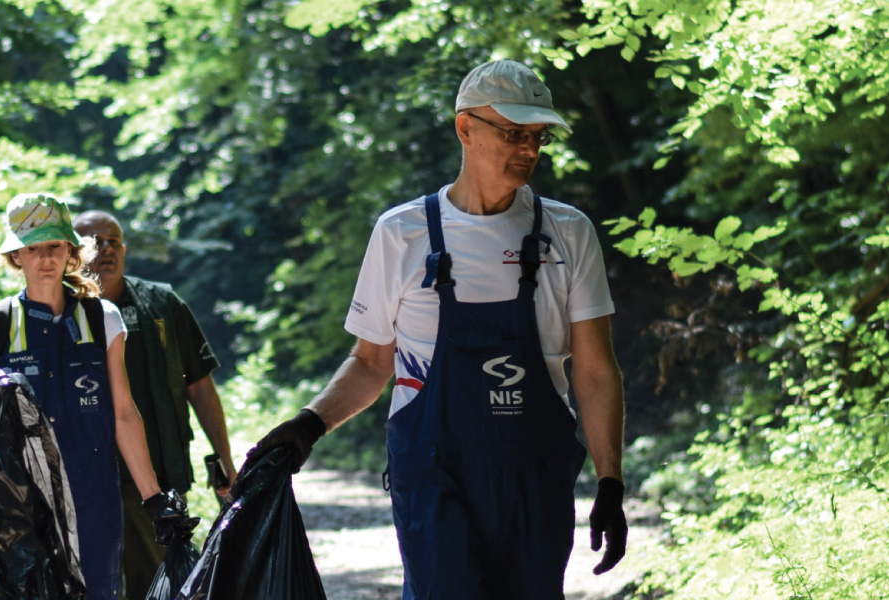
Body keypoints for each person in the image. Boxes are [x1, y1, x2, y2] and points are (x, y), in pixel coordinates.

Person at [246, 59, 629, 599]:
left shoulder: (567, 232)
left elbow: (593, 370)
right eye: (514, 133)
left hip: (533, 472)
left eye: (538, 137)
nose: (529, 149)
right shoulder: (402, 234)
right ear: (465, 128)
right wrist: (307, 426)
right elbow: (372, 361)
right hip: (434, 469)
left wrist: (610, 481)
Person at [0, 193, 190, 600]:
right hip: (23, 503)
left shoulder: (102, 317)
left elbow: (123, 413)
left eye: (55, 246)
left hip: (95, 498)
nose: (45, 258)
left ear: (71, 250)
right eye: (33, 248)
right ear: (16, 256)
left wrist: (154, 498)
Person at [72, 210, 234, 598]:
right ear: (74, 251)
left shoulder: (162, 305)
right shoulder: (58, 313)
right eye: (95, 241)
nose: (106, 249)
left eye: (114, 241)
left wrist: (224, 460)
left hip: (157, 477)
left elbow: (200, 386)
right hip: (84, 477)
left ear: (124, 249)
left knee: (158, 586)